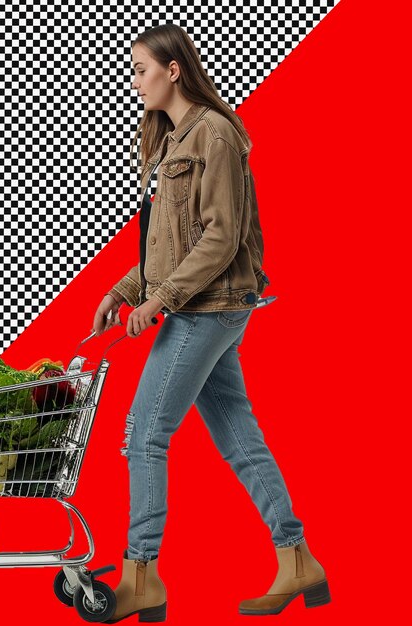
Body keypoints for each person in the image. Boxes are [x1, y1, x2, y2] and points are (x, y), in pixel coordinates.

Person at [91, 25, 331, 623]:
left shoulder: (215, 135)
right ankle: (297, 559)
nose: (135, 82)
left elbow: (221, 236)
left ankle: (141, 575)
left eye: (142, 69)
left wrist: (161, 301)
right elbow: (166, 241)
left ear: (174, 71)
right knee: (238, 436)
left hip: (208, 305)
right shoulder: (172, 139)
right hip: (199, 303)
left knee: (143, 433)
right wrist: (123, 290)